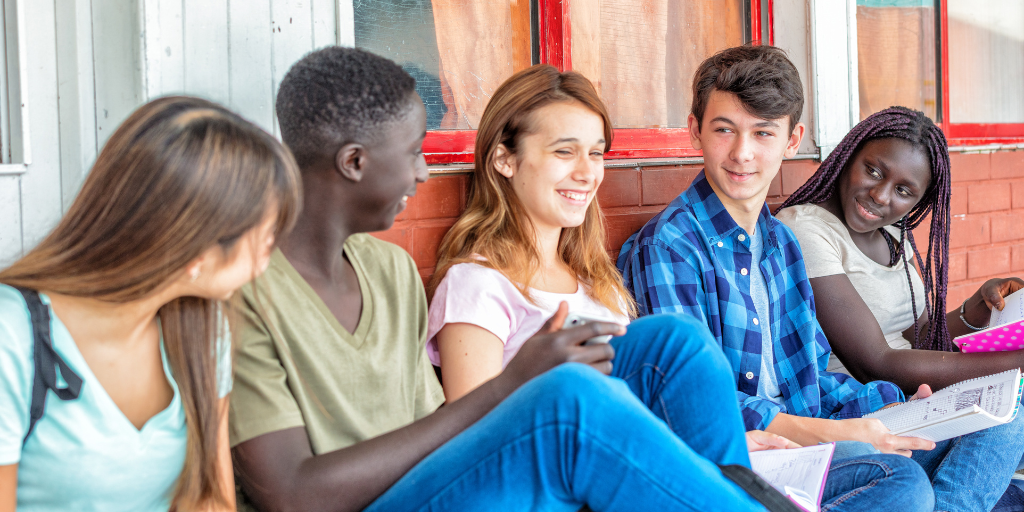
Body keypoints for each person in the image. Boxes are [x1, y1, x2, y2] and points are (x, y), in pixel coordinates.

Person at [227, 46, 812, 512]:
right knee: (568, 398)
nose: (425, 169)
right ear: (354, 162)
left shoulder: (389, 269)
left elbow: (436, 432)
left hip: (432, 479)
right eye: (412, 152)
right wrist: (518, 384)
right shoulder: (245, 293)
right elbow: (292, 495)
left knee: (673, 344)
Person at [424, 62, 932, 512]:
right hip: (594, 478)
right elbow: (477, 447)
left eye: (596, 154)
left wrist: (748, 438)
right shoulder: (479, 283)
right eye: (564, 152)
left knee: (954, 454)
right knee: (898, 483)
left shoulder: (598, 285)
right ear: (504, 159)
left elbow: (654, 405)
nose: (586, 173)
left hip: (679, 459)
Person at [617, 44, 1024, 512]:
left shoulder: (778, 243)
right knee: (904, 484)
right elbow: (699, 407)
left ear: (793, 141)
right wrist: (845, 431)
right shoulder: (672, 247)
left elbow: (809, 379)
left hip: (818, 441)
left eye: (763, 133)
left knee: (1003, 430)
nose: (743, 154)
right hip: (745, 461)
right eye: (724, 130)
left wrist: (887, 405)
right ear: (695, 131)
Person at [0, 96, 301, 511]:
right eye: (266, 240)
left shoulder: (201, 326)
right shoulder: (11, 336)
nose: (266, 262)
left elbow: (210, 499)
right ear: (197, 248)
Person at [776, 106, 1024, 390]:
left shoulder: (893, 236)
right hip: (860, 405)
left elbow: (922, 337)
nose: (880, 196)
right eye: (873, 171)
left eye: (903, 191)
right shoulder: (805, 229)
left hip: (916, 398)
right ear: (848, 155)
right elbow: (874, 364)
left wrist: (980, 307)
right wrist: (1015, 364)